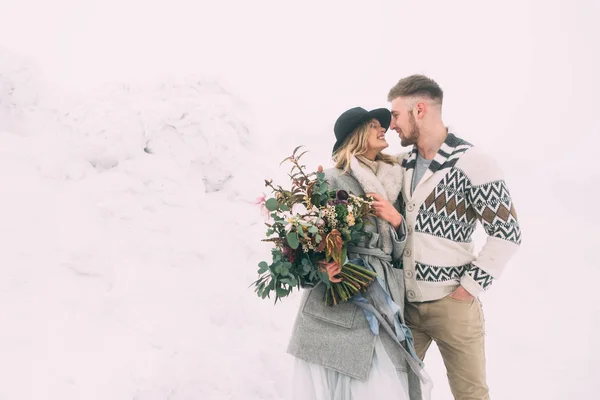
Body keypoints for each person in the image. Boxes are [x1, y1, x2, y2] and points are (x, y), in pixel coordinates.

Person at [387, 75, 523, 400]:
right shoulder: (400, 164)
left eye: (395, 115)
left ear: (419, 109)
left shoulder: (473, 162)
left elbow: (507, 234)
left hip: (453, 305)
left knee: (470, 395)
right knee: (393, 391)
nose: (391, 124)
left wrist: (468, 289)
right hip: (407, 309)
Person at [287, 106, 431, 400]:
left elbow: (399, 252)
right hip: (340, 298)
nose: (384, 129)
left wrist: (397, 221)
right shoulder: (330, 179)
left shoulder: (396, 180)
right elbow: (300, 245)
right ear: (357, 135)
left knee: (384, 385)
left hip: (385, 293)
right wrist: (321, 268)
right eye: (376, 125)